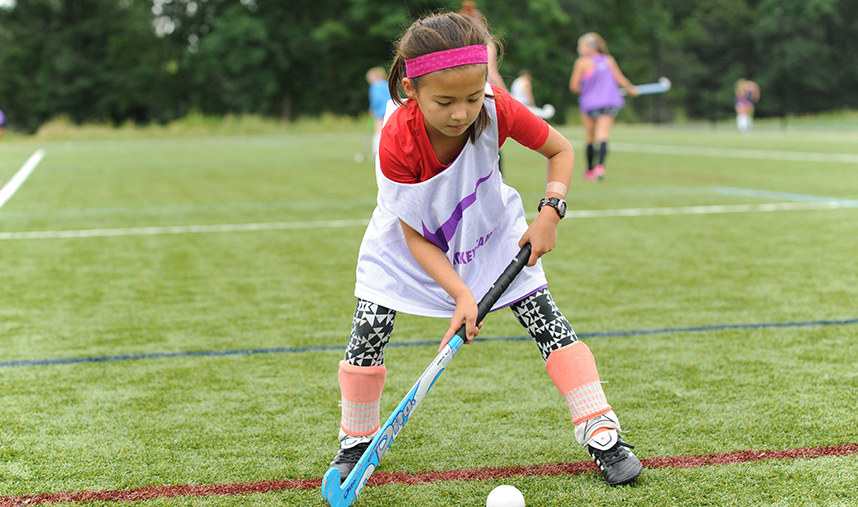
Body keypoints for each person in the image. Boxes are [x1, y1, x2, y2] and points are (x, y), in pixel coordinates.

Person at [326, 12, 642, 488]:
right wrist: (461, 294)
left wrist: (550, 211)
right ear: (412, 90)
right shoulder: (396, 140)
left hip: (490, 229)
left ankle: (600, 430)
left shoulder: (496, 108)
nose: (461, 113)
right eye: (445, 101)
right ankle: (356, 441)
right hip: (410, 245)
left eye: (473, 97)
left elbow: (561, 151)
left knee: (546, 319)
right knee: (369, 329)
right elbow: (415, 237)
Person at [569, 32, 638, 181]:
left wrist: (587, 90)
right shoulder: (608, 60)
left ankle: (589, 170)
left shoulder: (581, 62)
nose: (579, 48)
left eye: (581, 45)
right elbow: (621, 79)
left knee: (589, 138)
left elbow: (574, 86)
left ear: (591, 47)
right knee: (603, 136)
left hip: (589, 105)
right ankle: (600, 168)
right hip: (608, 103)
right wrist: (632, 89)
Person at [366, 67, 392, 158]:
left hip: (380, 111)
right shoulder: (387, 84)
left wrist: (372, 108)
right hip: (390, 109)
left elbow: (376, 100)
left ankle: (376, 151)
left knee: (378, 131)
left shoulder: (375, 86)